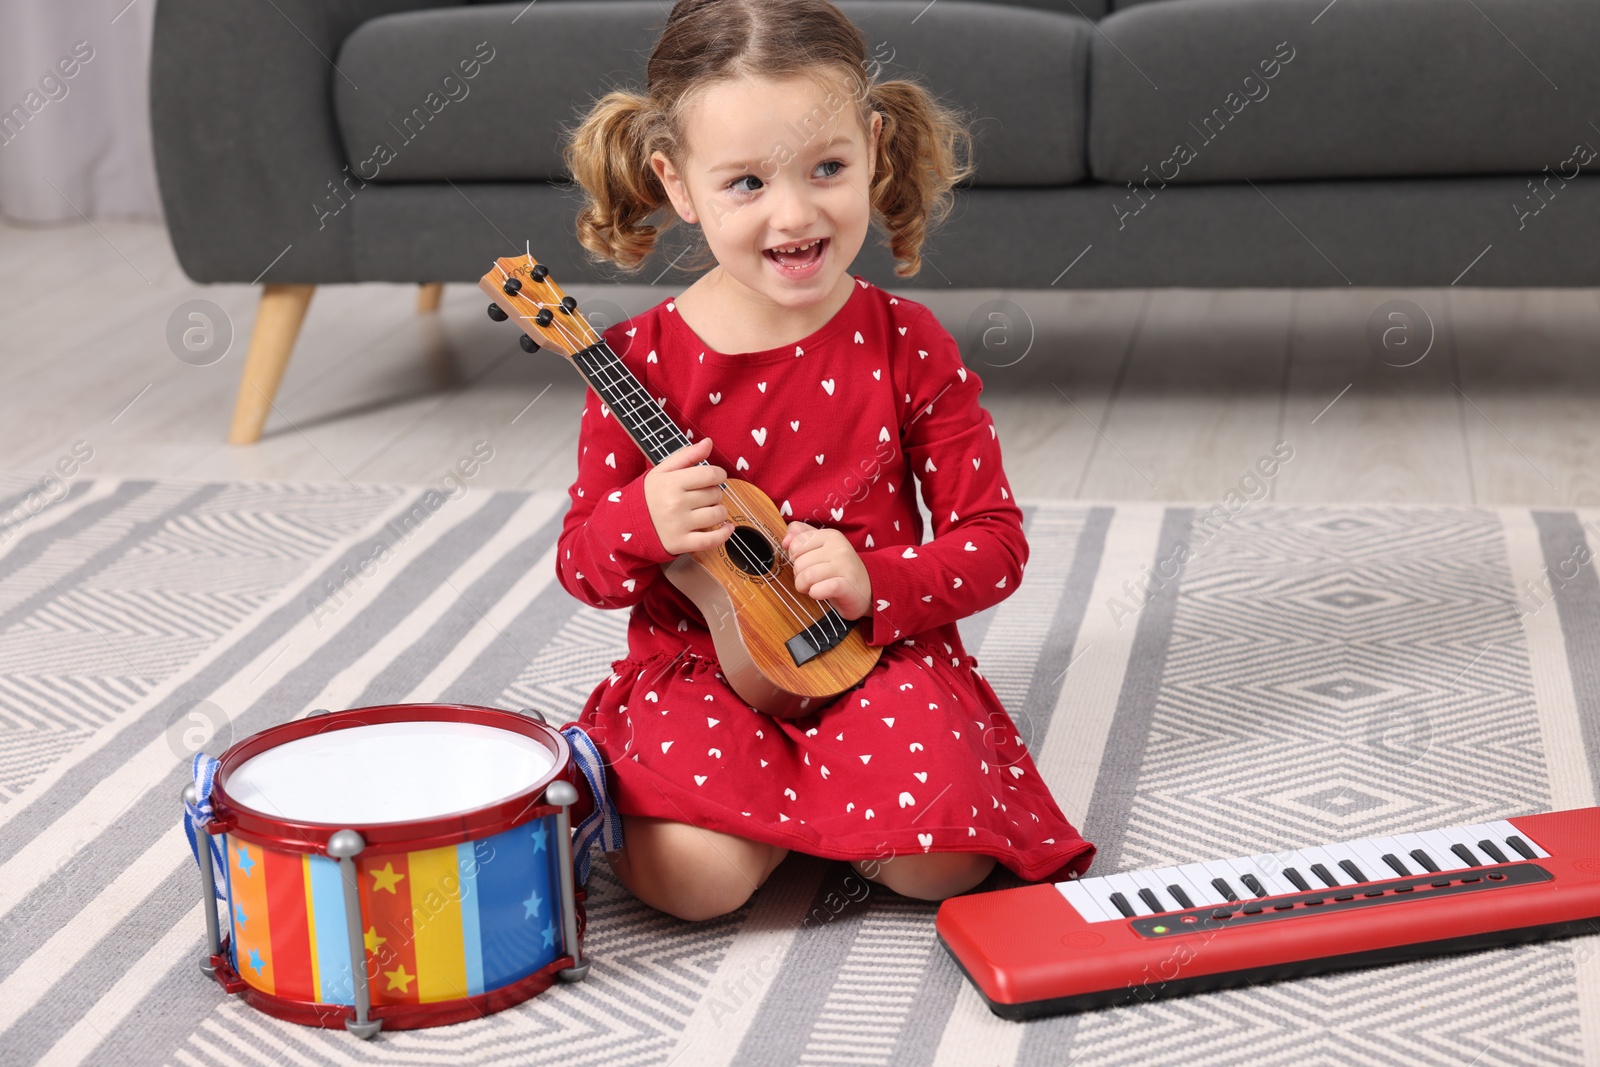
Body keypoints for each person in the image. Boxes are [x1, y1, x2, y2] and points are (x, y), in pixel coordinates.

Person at [552, 0, 1094, 922]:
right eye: (745, 184)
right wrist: (641, 519)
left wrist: (876, 579)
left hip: (874, 654)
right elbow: (583, 566)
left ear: (875, 148)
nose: (795, 213)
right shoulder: (638, 363)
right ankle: (772, 823)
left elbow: (995, 542)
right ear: (676, 185)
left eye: (827, 168)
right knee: (697, 883)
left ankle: (799, 820)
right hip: (704, 671)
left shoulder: (905, 342)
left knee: (947, 863)